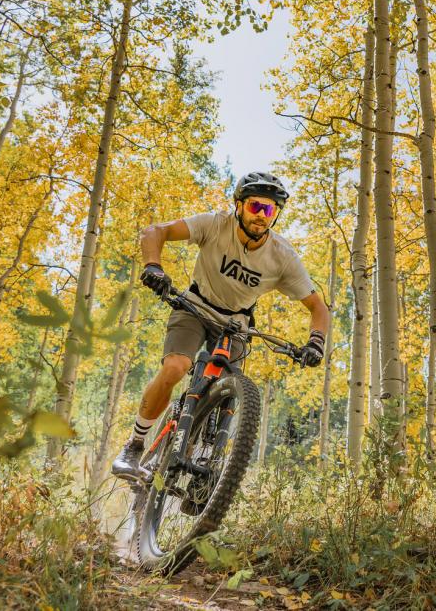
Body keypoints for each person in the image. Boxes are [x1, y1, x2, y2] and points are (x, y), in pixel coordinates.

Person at [111, 172, 330, 479]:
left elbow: (317, 306)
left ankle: (205, 468)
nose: (262, 216)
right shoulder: (215, 225)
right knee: (176, 367)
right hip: (195, 307)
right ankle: (134, 446)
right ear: (238, 205)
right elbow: (154, 231)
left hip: (236, 325)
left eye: (270, 210)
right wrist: (153, 267)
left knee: (226, 393)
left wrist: (316, 341)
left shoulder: (282, 256)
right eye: (256, 206)